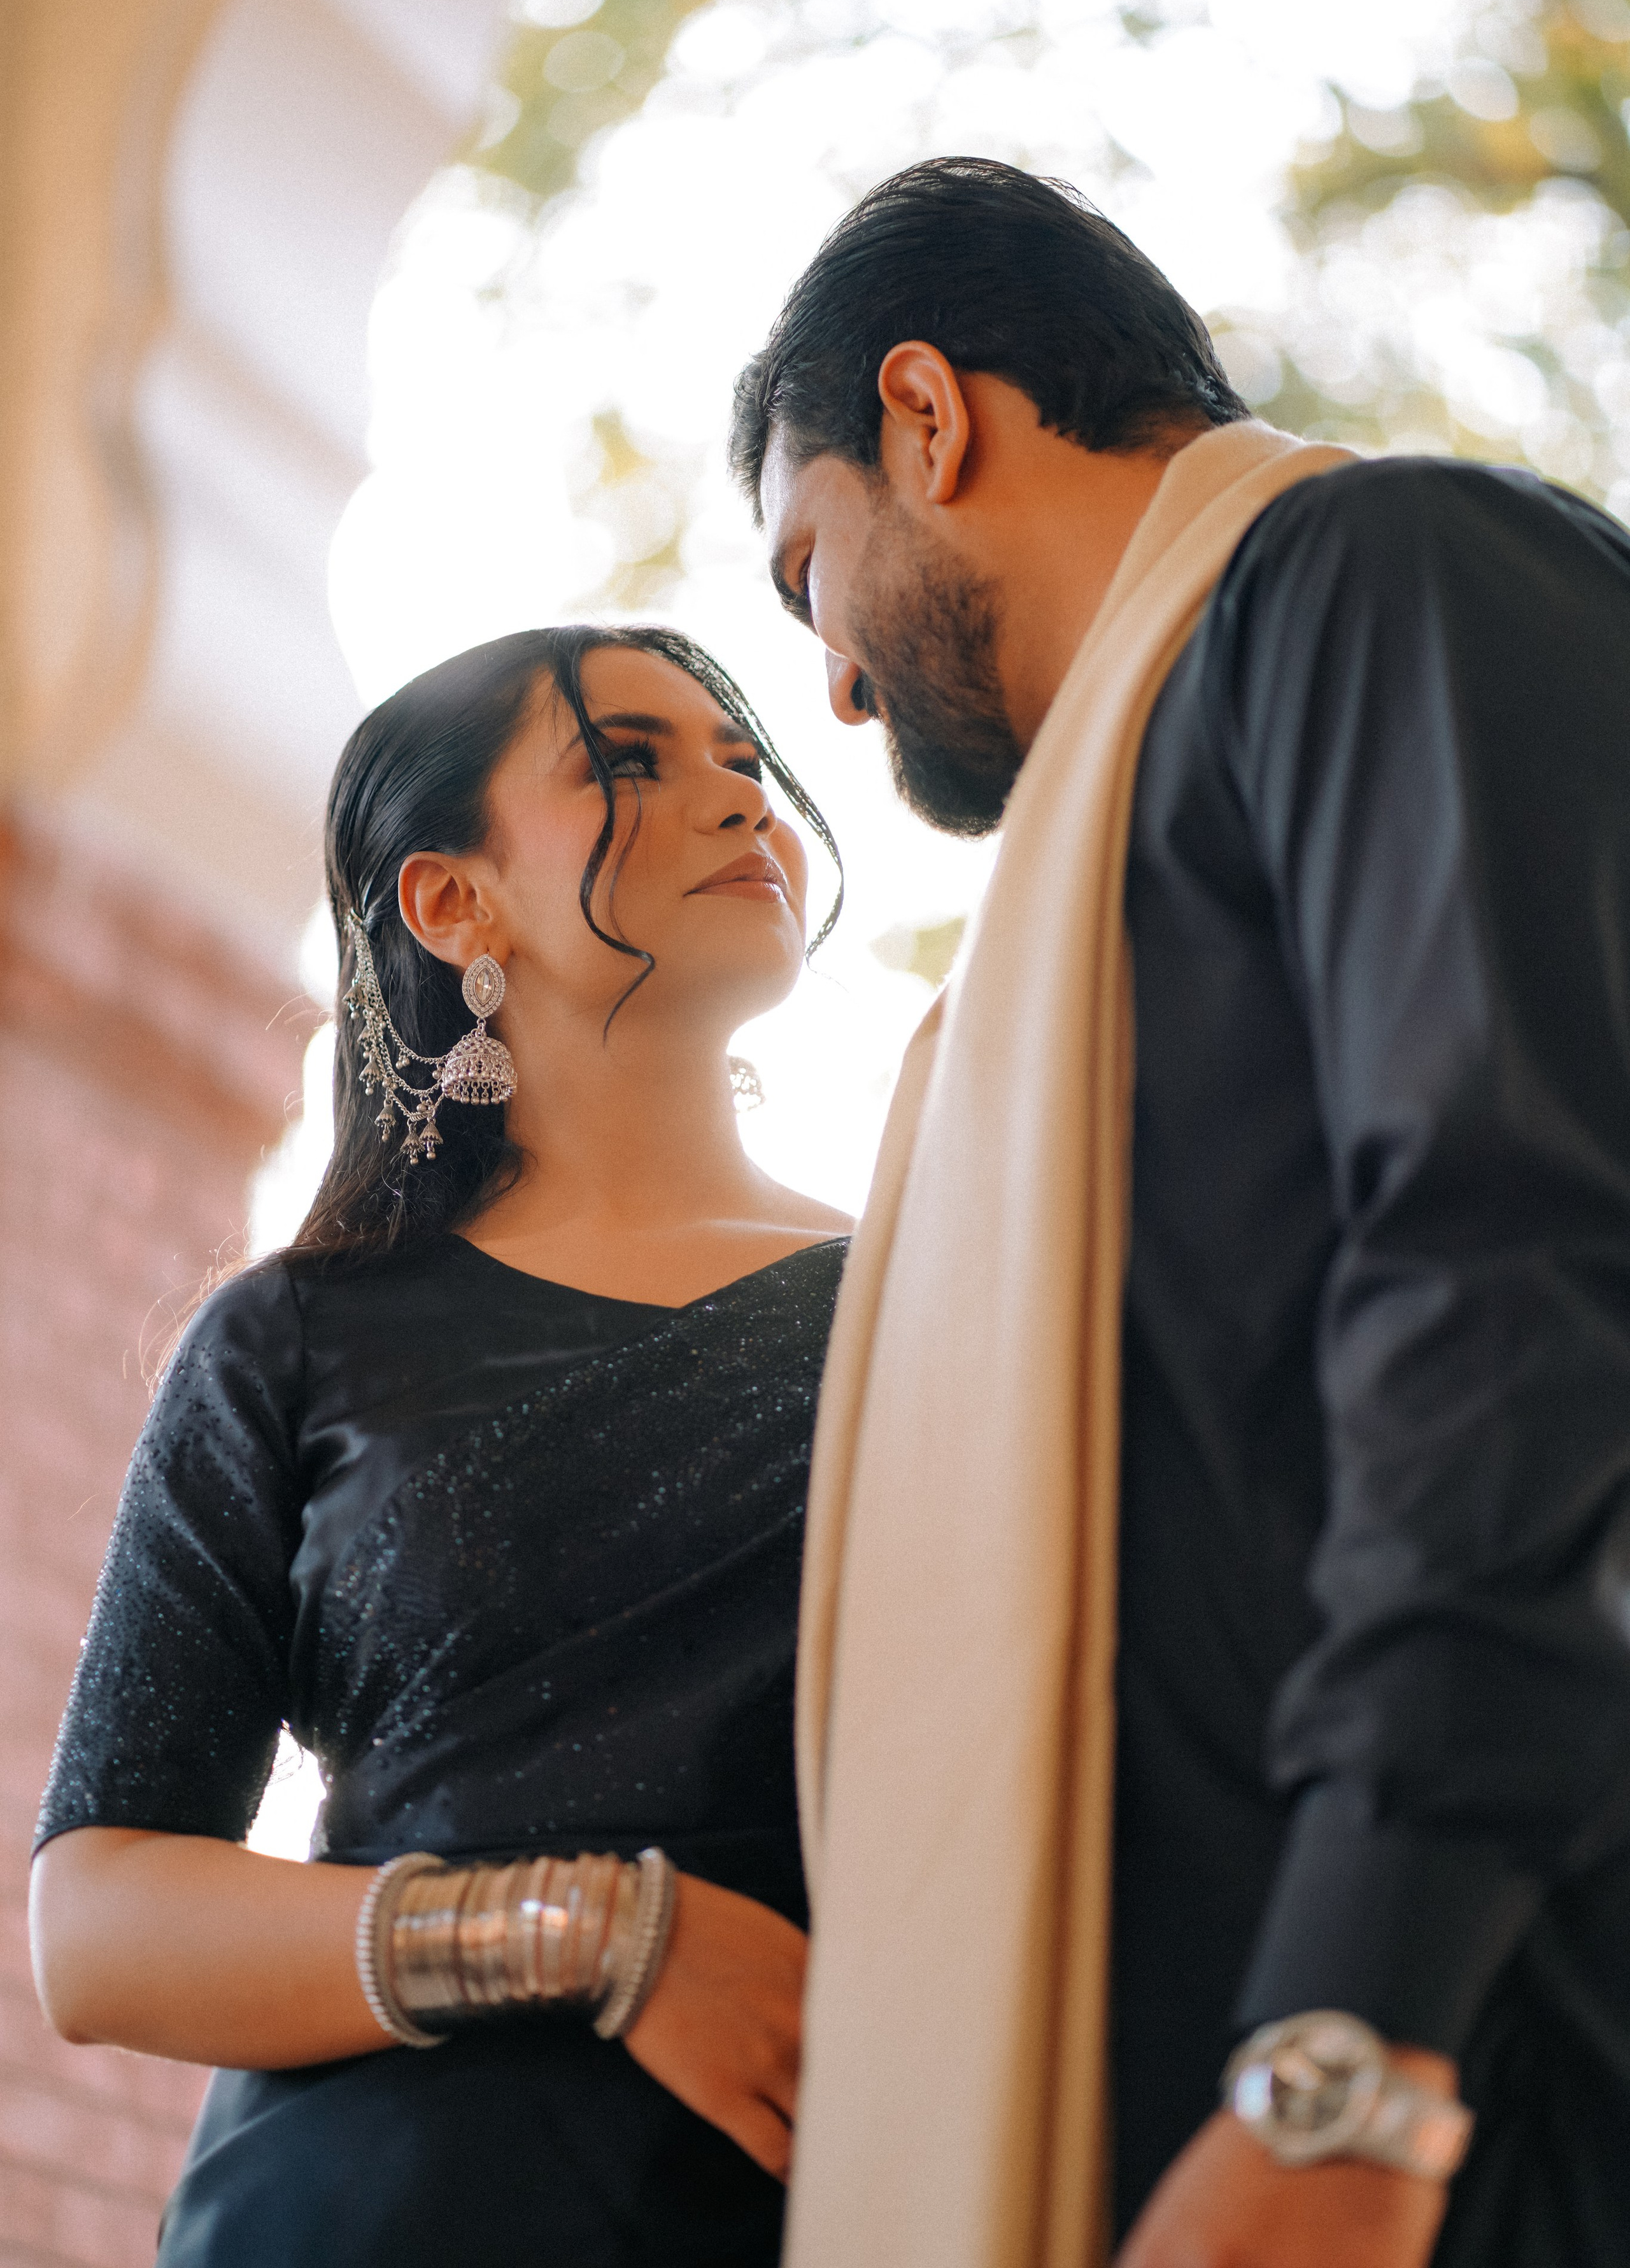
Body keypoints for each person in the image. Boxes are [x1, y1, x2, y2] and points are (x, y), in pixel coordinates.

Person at [728, 157, 1630, 2268]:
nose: (834, 688)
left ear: (926, 418)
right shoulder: (1059, 939)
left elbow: (1518, 1272)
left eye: (806, 571)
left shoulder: (1382, 578)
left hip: (1458, 2095)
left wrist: (1354, 2041)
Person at [29, 623, 853, 2267]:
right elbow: (101, 1928)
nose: (738, 800)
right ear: (453, 903)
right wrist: (602, 1933)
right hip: (360, 2208)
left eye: (744, 760)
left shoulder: (933, 1299)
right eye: (629, 763)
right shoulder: (296, 1335)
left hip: (819, 2194)